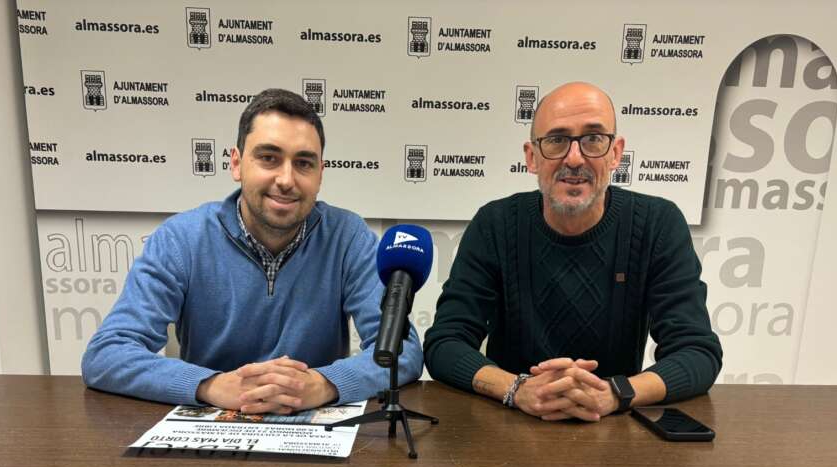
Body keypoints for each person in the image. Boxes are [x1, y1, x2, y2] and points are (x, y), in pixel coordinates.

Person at [82, 88, 422, 411]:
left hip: (314, 428)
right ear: (236, 163)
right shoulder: (181, 238)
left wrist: (323, 384)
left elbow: (402, 350)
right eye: (269, 158)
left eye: (303, 163)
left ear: (320, 174)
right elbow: (107, 353)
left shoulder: (348, 237)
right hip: (212, 427)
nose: (286, 179)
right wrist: (211, 386)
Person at [424, 82, 721, 420]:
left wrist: (615, 393)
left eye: (593, 139)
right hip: (510, 423)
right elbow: (445, 343)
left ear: (615, 153)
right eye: (557, 140)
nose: (575, 158)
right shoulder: (495, 224)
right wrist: (517, 389)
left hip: (613, 427)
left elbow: (697, 352)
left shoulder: (658, 224)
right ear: (532, 157)